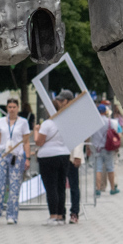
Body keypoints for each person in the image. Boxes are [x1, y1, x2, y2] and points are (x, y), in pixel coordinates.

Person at [33, 92, 76, 225]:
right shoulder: (65, 122)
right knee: (60, 186)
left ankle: (53, 215)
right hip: (64, 155)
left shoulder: (47, 124)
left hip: (48, 157)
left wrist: (36, 130)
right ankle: (60, 215)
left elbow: (39, 141)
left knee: (51, 187)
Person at [0, 97, 31, 224]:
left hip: (16, 157)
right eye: (10, 107)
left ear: (18, 108)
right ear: (7, 108)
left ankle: (12, 215)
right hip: (3, 154)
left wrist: (27, 158)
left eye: (14, 107)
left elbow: (26, 142)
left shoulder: (23, 123)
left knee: (14, 186)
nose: (12, 110)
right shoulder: (1, 121)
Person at [91, 105, 121, 196]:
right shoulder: (111, 122)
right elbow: (116, 132)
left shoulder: (93, 123)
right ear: (105, 112)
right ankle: (112, 189)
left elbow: (89, 137)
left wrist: (89, 148)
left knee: (98, 169)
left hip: (97, 149)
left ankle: (98, 189)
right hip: (108, 149)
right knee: (110, 168)